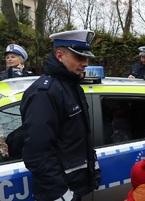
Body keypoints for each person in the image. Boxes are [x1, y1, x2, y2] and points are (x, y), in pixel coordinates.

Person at [20, 30, 101, 201]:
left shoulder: (73, 87)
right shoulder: (45, 93)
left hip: (74, 188)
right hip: (60, 193)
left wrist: (93, 167)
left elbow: (77, 137)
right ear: (59, 55)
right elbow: (37, 153)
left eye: (87, 58)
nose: (85, 63)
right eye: (80, 58)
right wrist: (60, 194)